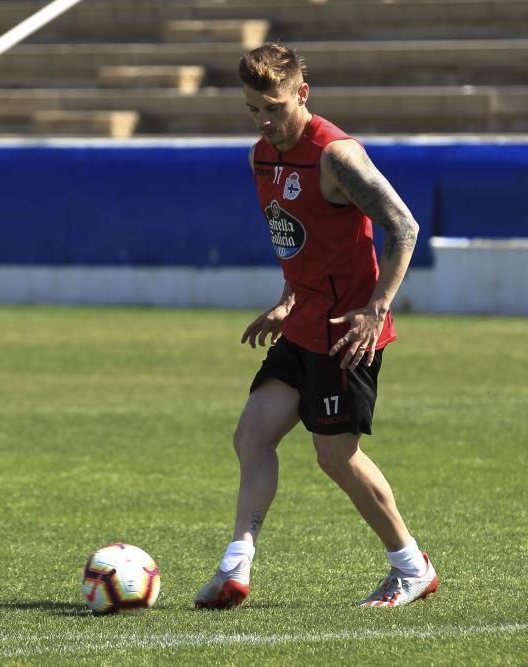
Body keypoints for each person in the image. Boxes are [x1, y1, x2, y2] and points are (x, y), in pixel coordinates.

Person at [194, 43, 437, 609]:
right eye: (253, 109)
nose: (264, 121)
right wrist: (286, 299)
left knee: (336, 456)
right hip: (302, 323)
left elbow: (404, 226)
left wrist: (378, 307)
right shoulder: (262, 156)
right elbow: (299, 240)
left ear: (302, 93)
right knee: (252, 435)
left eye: (273, 107)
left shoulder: (336, 156)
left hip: (347, 332)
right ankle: (235, 567)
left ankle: (411, 567)